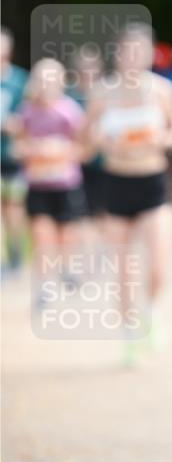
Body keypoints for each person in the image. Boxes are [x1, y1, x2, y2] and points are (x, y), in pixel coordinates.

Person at [88, 23, 172, 364]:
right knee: (123, 268)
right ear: (118, 55)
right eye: (127, 51)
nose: (133, 58)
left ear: (148, 54)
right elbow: (86, 141)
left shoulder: (162, 91)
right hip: (116, 184)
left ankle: (152, 312)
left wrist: (164, 140)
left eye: (139, 51)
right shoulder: (102, 93)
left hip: (154, 182)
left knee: (159, 262)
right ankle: (129, 333)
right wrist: (100, 140)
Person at [12, 58, 86, 306]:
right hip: (37, 184)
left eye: (51, 80)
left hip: (65, 184)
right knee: (42, 237)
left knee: (66, 235)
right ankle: (44, 287)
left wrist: (61, 152)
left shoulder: (70, 110)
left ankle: (67, 269)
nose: (46, 85)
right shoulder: (26, 111)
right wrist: (32, 150)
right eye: (42, 80)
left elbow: (84, 146)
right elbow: (18, 146)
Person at [68, 45, 108, 224]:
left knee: (105, 212)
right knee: (80, 214)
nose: (88, 72)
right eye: (84, 68)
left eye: (92, 67)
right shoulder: (68, 95)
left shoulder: (108, 93)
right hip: (76, 164)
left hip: (104, 162)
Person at [1, 27, 29, 273]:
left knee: (13, 208)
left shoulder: (20, 81)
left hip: (12, 156)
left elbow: (31, 117)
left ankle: (15, 254)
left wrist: (15, 125)